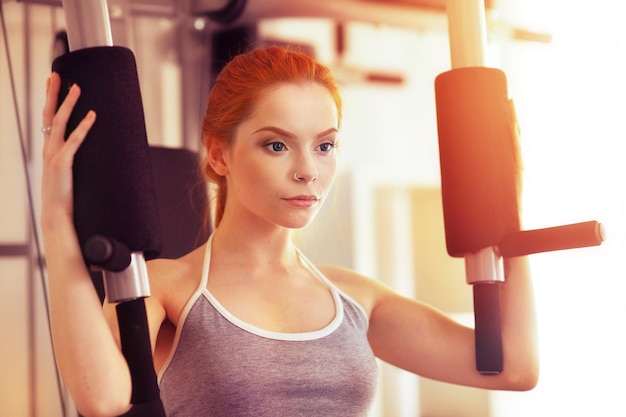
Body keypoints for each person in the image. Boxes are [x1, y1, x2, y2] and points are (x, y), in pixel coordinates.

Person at [41, 46, 538, 417]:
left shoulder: (354, 298)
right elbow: (101, 397)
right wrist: (55, 214)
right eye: (277, 146)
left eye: (324, 146)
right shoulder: (170, 288)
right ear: (219, 154)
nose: (308, 171)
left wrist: (505, 207)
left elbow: (512, 368)